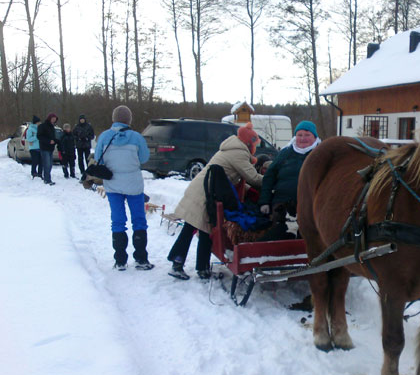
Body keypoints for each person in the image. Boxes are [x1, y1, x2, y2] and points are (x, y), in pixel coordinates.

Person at [168, 122, 263, 280]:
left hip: (205, 190)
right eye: (255, 143)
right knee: (194, 228)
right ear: (249, 142)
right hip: (205, 193)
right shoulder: (238, 152)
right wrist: (271, 181)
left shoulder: (232, 148)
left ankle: (200, 268)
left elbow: (233, 179)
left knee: (204, 230)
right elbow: (253, 177)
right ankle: (179, 264)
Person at [95, 105, 153, 271]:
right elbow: (144, 158)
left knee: (118, 221)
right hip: (134, 184)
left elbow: (98, 158)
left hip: (112, 184)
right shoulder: (136, 137)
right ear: (129, 120)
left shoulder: (104, 136)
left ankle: (120, 260)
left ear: (114, 119)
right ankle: (141, 258)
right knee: (139, 220)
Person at [258, 120, 321, 241]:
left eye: (307, 135)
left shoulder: (320, 153)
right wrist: (264, 201)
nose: (303, 138)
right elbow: (269, 177)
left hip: (310, 205)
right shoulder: (285, 153)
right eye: (299, 135)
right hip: (282, 204)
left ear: (315, 137)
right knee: (280, 235)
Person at [37, 113, 59, 185]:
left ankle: (47, 178)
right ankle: (47, 179)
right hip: (44, 148)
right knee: (47, 164)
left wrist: (56, 141)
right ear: (49, 118)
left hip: (51, 148)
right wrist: (48, 141)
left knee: (50, 165)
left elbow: (53, 137)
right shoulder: (42, 126)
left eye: (55, 119)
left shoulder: (52, 127)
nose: (54, 120)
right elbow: (39, 136)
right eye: (52, 119)